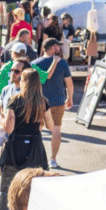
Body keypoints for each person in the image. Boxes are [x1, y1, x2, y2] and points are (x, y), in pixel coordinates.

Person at [0, 68, 53, 210]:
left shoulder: (15, 100)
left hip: (15, 148)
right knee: (34, 187)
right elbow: (51, 126)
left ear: (24, 82)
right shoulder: (43, 102)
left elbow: (8, 127)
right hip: (35, 147)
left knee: (7, 189)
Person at [32, 38, 73, 168]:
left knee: (36, 130)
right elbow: (69, 83)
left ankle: (35, 158)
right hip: (58, 101)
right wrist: (70, 97)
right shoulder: (62, 63)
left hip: (39, 102)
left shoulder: (34, 63)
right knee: (56, 129)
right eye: (58, 46)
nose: (60, 48)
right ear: (53, 47)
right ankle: (53, 159)